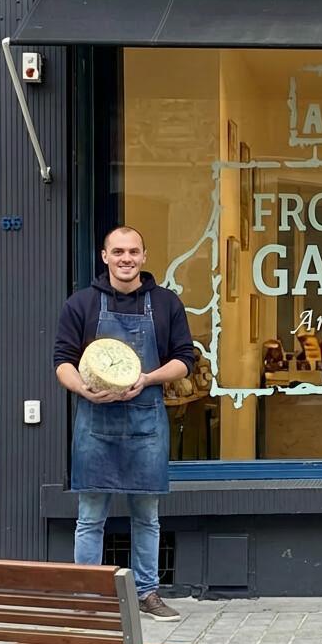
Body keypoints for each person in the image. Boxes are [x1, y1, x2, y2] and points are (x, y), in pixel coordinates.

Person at [53, 226, 194, 621]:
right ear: (105, 257)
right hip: (95, 422)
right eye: (118, 252)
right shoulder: (82, 304)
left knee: (146, 516)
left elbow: (185, 359)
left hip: (146, 421)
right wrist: (83, 387)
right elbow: (61, 360)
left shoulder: (166, 304)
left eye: (133, 251)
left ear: (144, 257)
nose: (126, 258)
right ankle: (89, 597)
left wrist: (147, 379)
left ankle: (147, 593)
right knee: (90, 517)